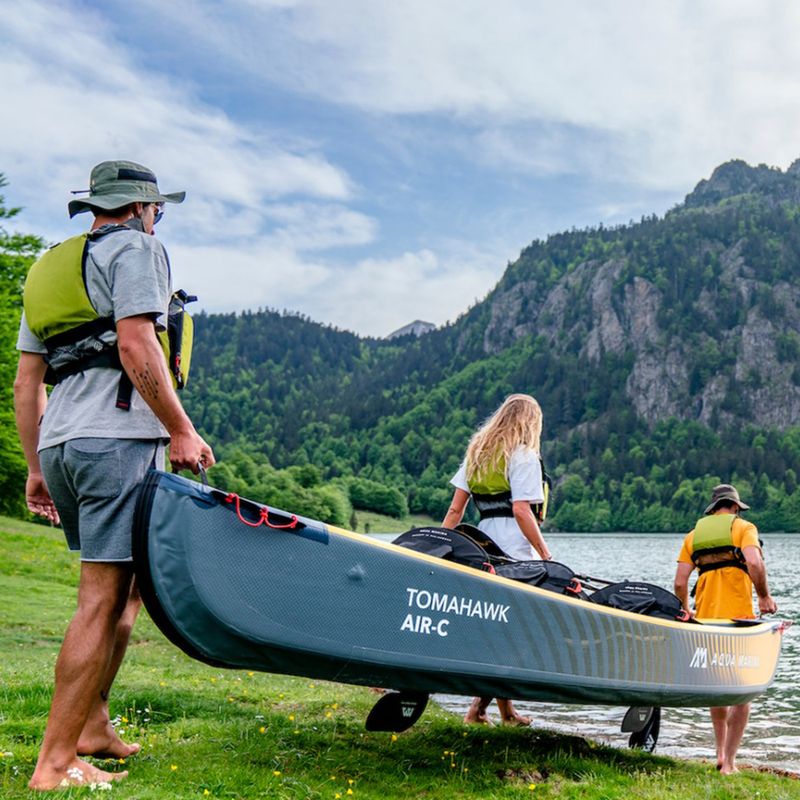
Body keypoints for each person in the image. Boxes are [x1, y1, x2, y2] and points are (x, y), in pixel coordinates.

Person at [14, 160, 215, 790]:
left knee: (124, 590)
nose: (160, 218)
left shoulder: (49, 267)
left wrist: (36, 467)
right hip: (117, 439)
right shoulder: (140, 248)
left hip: (64, 442)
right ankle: (54, 762)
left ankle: (93, 725)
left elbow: (27, 382)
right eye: (159, 208)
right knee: (99, 600)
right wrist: (180, 429)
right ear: (140, 206)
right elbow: (135, 344)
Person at [442, 393, 551, 726]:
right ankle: (478, 710)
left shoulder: (478, 454)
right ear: (530, 422)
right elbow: (521, 510)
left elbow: (456, 510)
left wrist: (442, 545)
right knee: (514, 631)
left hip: (481, 546)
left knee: (497, 627)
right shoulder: (524, 456)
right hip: (514, 553)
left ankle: (503, 711)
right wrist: (545, 554)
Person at [673, 483, 777, 775]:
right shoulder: (744, 528)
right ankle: (729, 762)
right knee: (742, 691)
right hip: (739, 620)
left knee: (718, 687)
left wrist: (685, 609)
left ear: (713, 508)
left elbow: (680, 583)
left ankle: (718, 752)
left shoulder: (694, 536)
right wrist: (764, 595)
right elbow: (754, 562)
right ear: (734, 507)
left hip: (706, 621)